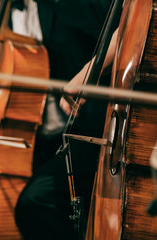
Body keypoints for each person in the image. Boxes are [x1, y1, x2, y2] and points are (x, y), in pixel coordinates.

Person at [11, 0, 115, 239]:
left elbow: (122, 28)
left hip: (95, 127)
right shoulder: (9, 14)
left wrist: (89, 72)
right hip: (39, 137)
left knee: (37, 200)